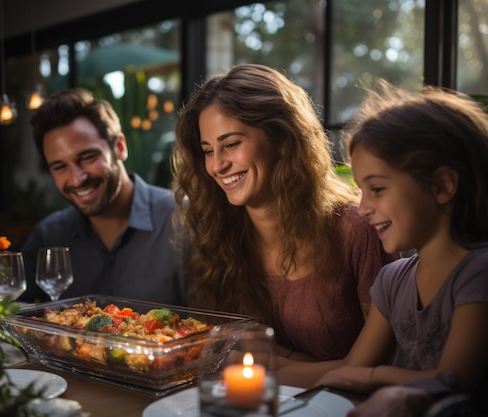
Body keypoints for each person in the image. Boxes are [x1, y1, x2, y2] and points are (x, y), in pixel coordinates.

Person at [291, 80, 488, 416]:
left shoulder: (487, 272)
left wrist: (372, 377)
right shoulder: (393, 280)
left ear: (443, 185)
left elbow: (451, 383)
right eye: (361, 190)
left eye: (376, 188)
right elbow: (349, 368)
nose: (362, 208)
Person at [170, 64, 398, 362]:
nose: (217, 165)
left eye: (232, 144)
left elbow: (380, 367)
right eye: (208, 150)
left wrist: (275, 363)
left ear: (282, 139)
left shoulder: (358, 231)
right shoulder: (217, 234)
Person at [19, 88, 188, 305]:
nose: (77, 179)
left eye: (88, 157)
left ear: (119, 147)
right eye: (60, 167)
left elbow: (218, 325)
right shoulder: (49, 235)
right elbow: (11, 314)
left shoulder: (184, 219)